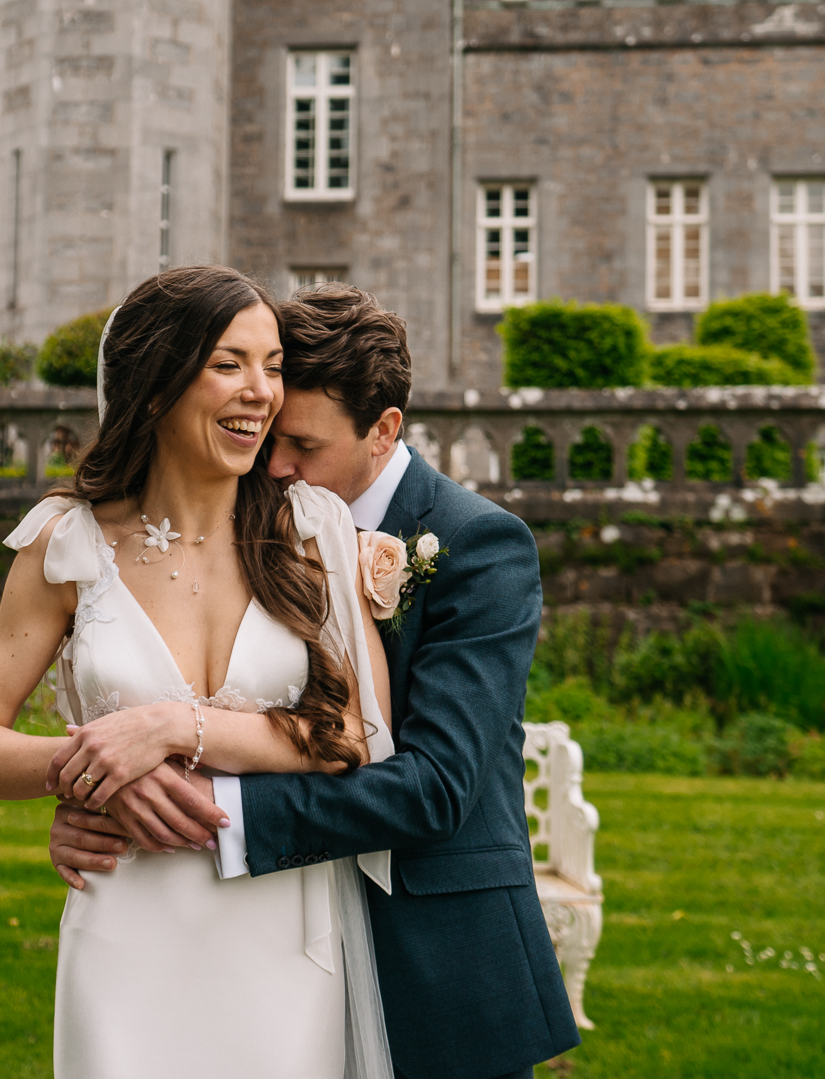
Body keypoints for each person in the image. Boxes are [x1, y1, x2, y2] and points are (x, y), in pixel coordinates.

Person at [50, 284, 581, 1079]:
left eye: (302, 445)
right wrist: (105, 798)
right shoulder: (253, 525)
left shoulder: (479, 546)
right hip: (264, 943)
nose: (276, 463)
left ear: (385, 430)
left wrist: (197, 815)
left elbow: (433, 787)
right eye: (270, 436)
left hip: (432, 951)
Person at [0, 266, 400, 1079]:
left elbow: (361, 738)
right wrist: (92, 773)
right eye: (229, 364)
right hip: (127, 925)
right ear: (156, 384)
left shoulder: (311, 531)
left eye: (272, 365)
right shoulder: (66, 543)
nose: (262, 392)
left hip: (283, 937)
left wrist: (171, 728)